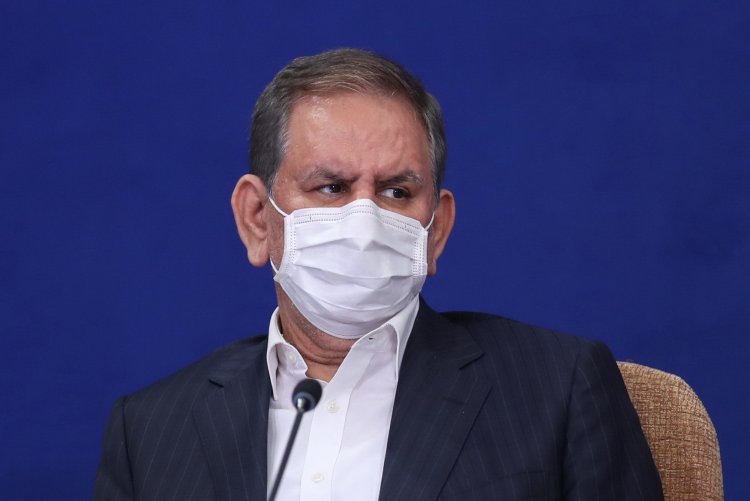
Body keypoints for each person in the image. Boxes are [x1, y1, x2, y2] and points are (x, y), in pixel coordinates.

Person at [94, 48, 663, 500]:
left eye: (396, 192)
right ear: (257, 219)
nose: (364, 223)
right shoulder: (149, 430)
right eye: (331, 187)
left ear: (436, 230)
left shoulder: (556, 388)